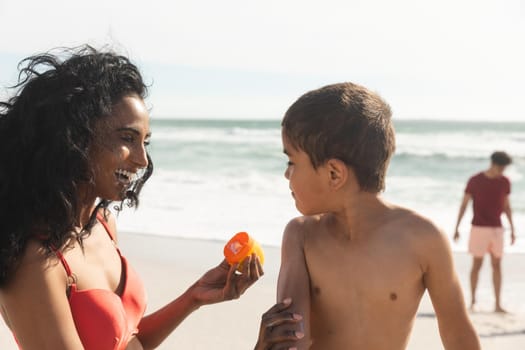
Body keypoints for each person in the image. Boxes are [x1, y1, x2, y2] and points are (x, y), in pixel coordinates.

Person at [0, 46, 263, 350]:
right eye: (127, 138)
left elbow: (124, 341)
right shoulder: (34, 261)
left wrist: (194, 297)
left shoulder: (103, 224)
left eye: (145, 142)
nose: (142, 160)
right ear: (74, 136)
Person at [257, 82, 481, 349]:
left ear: (334, 174)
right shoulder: (301, 236)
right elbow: (291, 340)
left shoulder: (423, 239)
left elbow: (458, 336)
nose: (286, 174)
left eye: (292, 162)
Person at [453, 151, 515, 313]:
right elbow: (464, 205)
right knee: (477, 264)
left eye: (504, 168)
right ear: (493, 163)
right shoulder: (475, 180)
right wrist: (456, 228)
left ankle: (498, 304)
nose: (502, 171)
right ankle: (472, 301)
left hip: (497, 228)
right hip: (478, 228)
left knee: (497, 266)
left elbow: (506, 207)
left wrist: (513, 229)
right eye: (501, 167)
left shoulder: (505, 182)